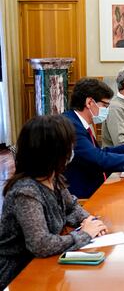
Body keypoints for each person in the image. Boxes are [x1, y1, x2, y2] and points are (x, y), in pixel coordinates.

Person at [0, 115, 108, 289]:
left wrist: (90, 221)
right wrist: (85, 234)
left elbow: (71, 206)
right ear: (51, 152)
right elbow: (41, 245)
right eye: (68, 146)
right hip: (20, 274)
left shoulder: (53, 177)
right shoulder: (26, 191)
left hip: (46, 264)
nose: (72, 150)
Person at [64, 77, 124, 199]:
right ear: (89, 103)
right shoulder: (71, 126)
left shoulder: (76, 121)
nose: (107, 110)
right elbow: (98, 159)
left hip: (95, 187)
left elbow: (98, 152)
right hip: (85, 196)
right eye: (105, 105)